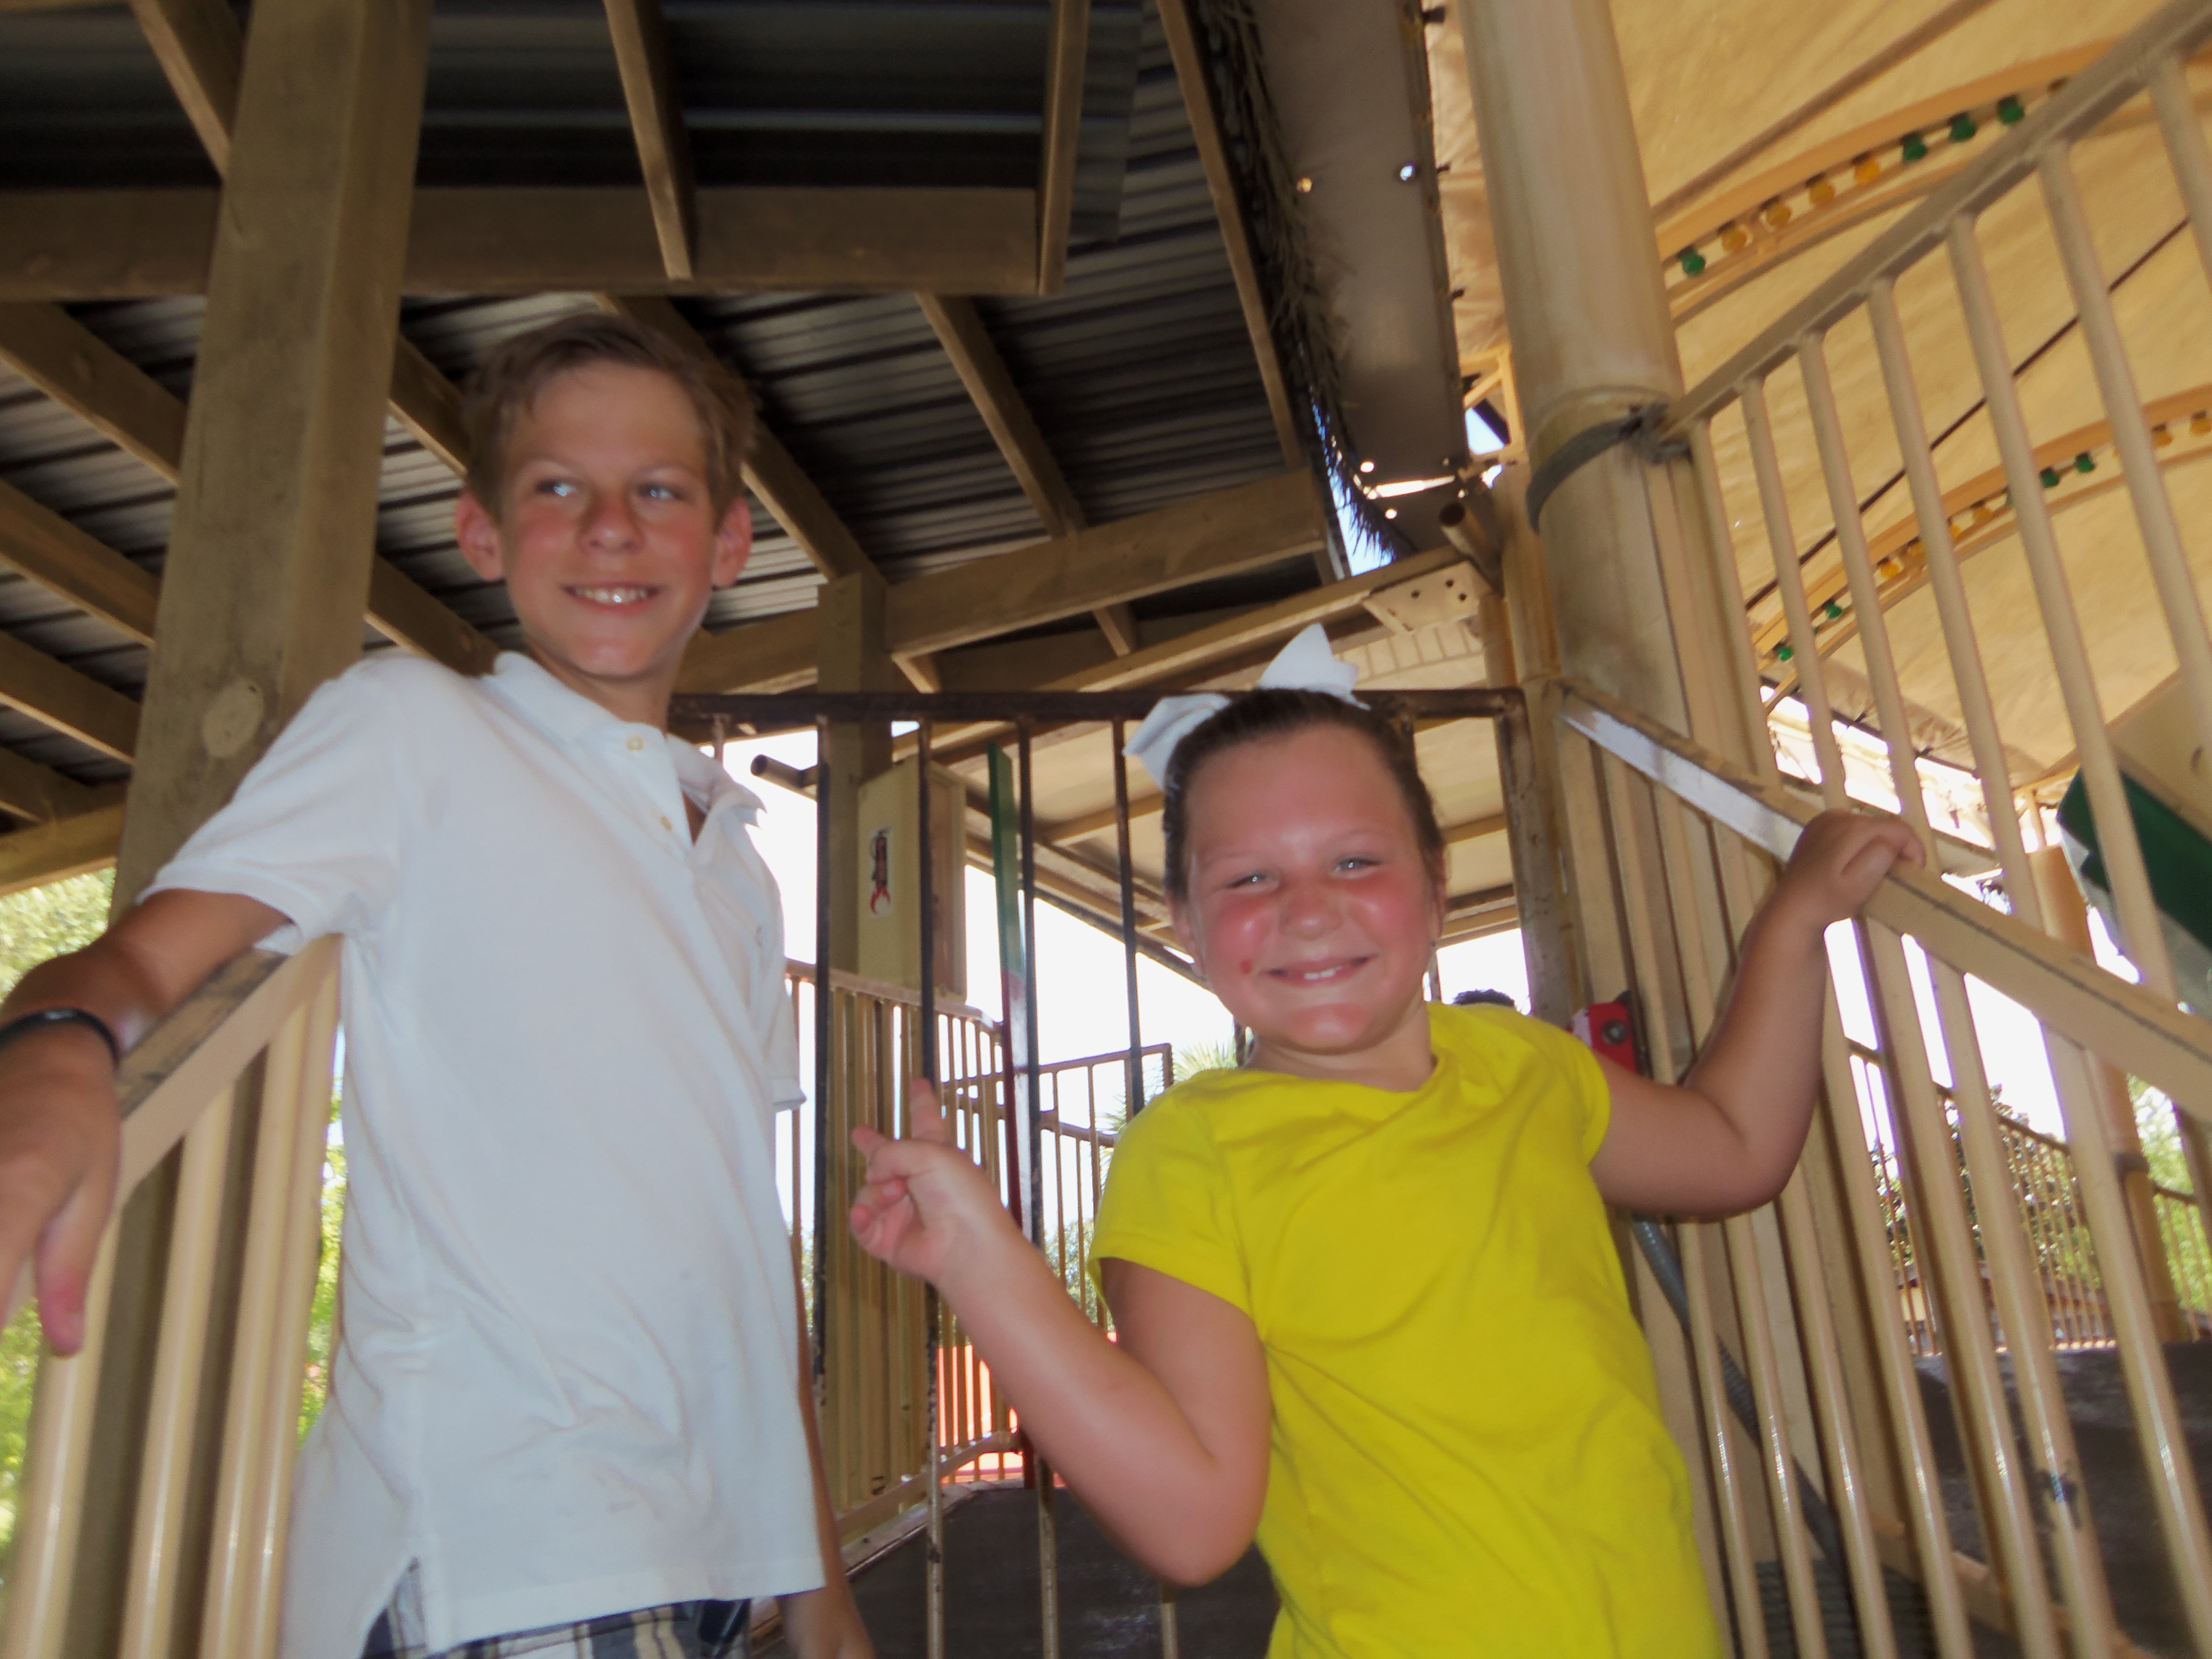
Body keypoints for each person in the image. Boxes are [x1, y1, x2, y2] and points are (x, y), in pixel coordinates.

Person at [0, 315, 873, 1659]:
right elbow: (146, 956)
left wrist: (816, 1588)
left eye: (658, 490)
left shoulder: (735, 866)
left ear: (728, 544)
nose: (610, 528)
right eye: (558, 487)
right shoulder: (414, 727)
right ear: (482, 534)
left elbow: (745, 1233)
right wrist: (58, 1036)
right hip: (515, 1540)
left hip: (705, 1549)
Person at [845, 626, 1920, 1658]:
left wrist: (1791, 925)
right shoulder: (1192, 1154)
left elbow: (1735, 1145)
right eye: (1249, 879)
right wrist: (982, 1266)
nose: (1309, 910)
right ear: (1185, 924)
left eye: (1356, 861)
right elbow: (1194, 1523)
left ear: (1437, 886)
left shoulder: (1524, 1065)